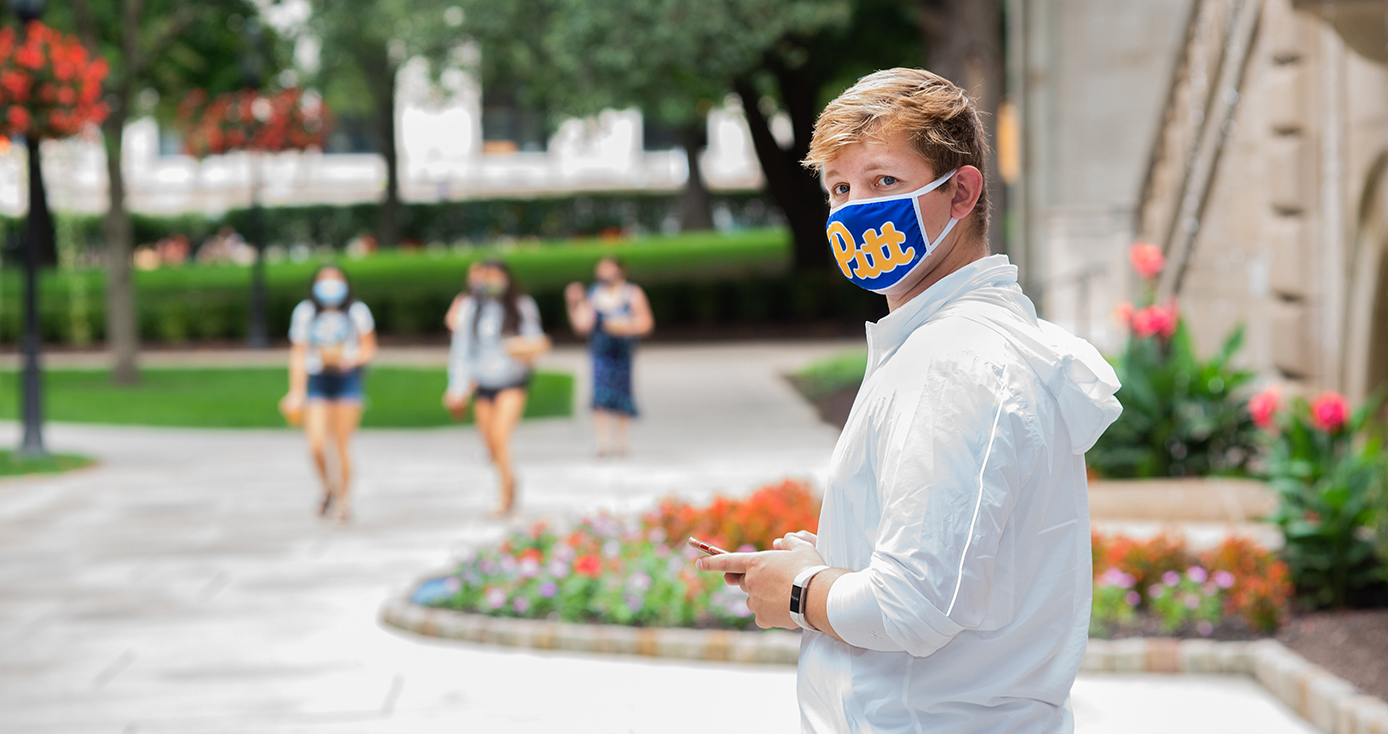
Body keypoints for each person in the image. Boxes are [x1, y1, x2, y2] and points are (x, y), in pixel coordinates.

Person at [697, 68, 1122, 732]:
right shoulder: (946, 344)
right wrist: (826, 557)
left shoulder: (953, 360)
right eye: (840, 188)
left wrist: (800, 592)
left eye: (883, 181)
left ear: (961, 193)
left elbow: (915, 605)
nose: (855, 208)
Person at [443, 260, 551, 516]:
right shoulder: (471, 307)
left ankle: (504, 495)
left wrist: (523, 348)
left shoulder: (521, 305)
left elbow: (534, 339)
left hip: (512, 379)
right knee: (490, 444)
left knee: (501, 437)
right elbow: (461, 351)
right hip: (484, 382)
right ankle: (509, 477)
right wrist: (456, 387)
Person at [280, 264, 377, 524]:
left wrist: (350, 359)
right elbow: (298, 353)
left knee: (342, 444)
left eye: (336, 280)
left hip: (347, 380)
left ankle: (344, 502)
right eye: (325, 280)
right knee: (317, 445)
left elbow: (369, 348)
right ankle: (328, 487)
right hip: (318, 379)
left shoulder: (356, 312)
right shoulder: (306, 312)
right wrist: (295, 391)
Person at [564, 256, 654, 456]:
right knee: (599, 396)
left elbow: (646, 322)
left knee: (623, 395)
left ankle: (621, 443)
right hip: (600, 352)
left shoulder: (632, 293)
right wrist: (573, 303)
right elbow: (582, 326)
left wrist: (627, 326)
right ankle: (603, 442)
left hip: (622, 352)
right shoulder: (594, 293)